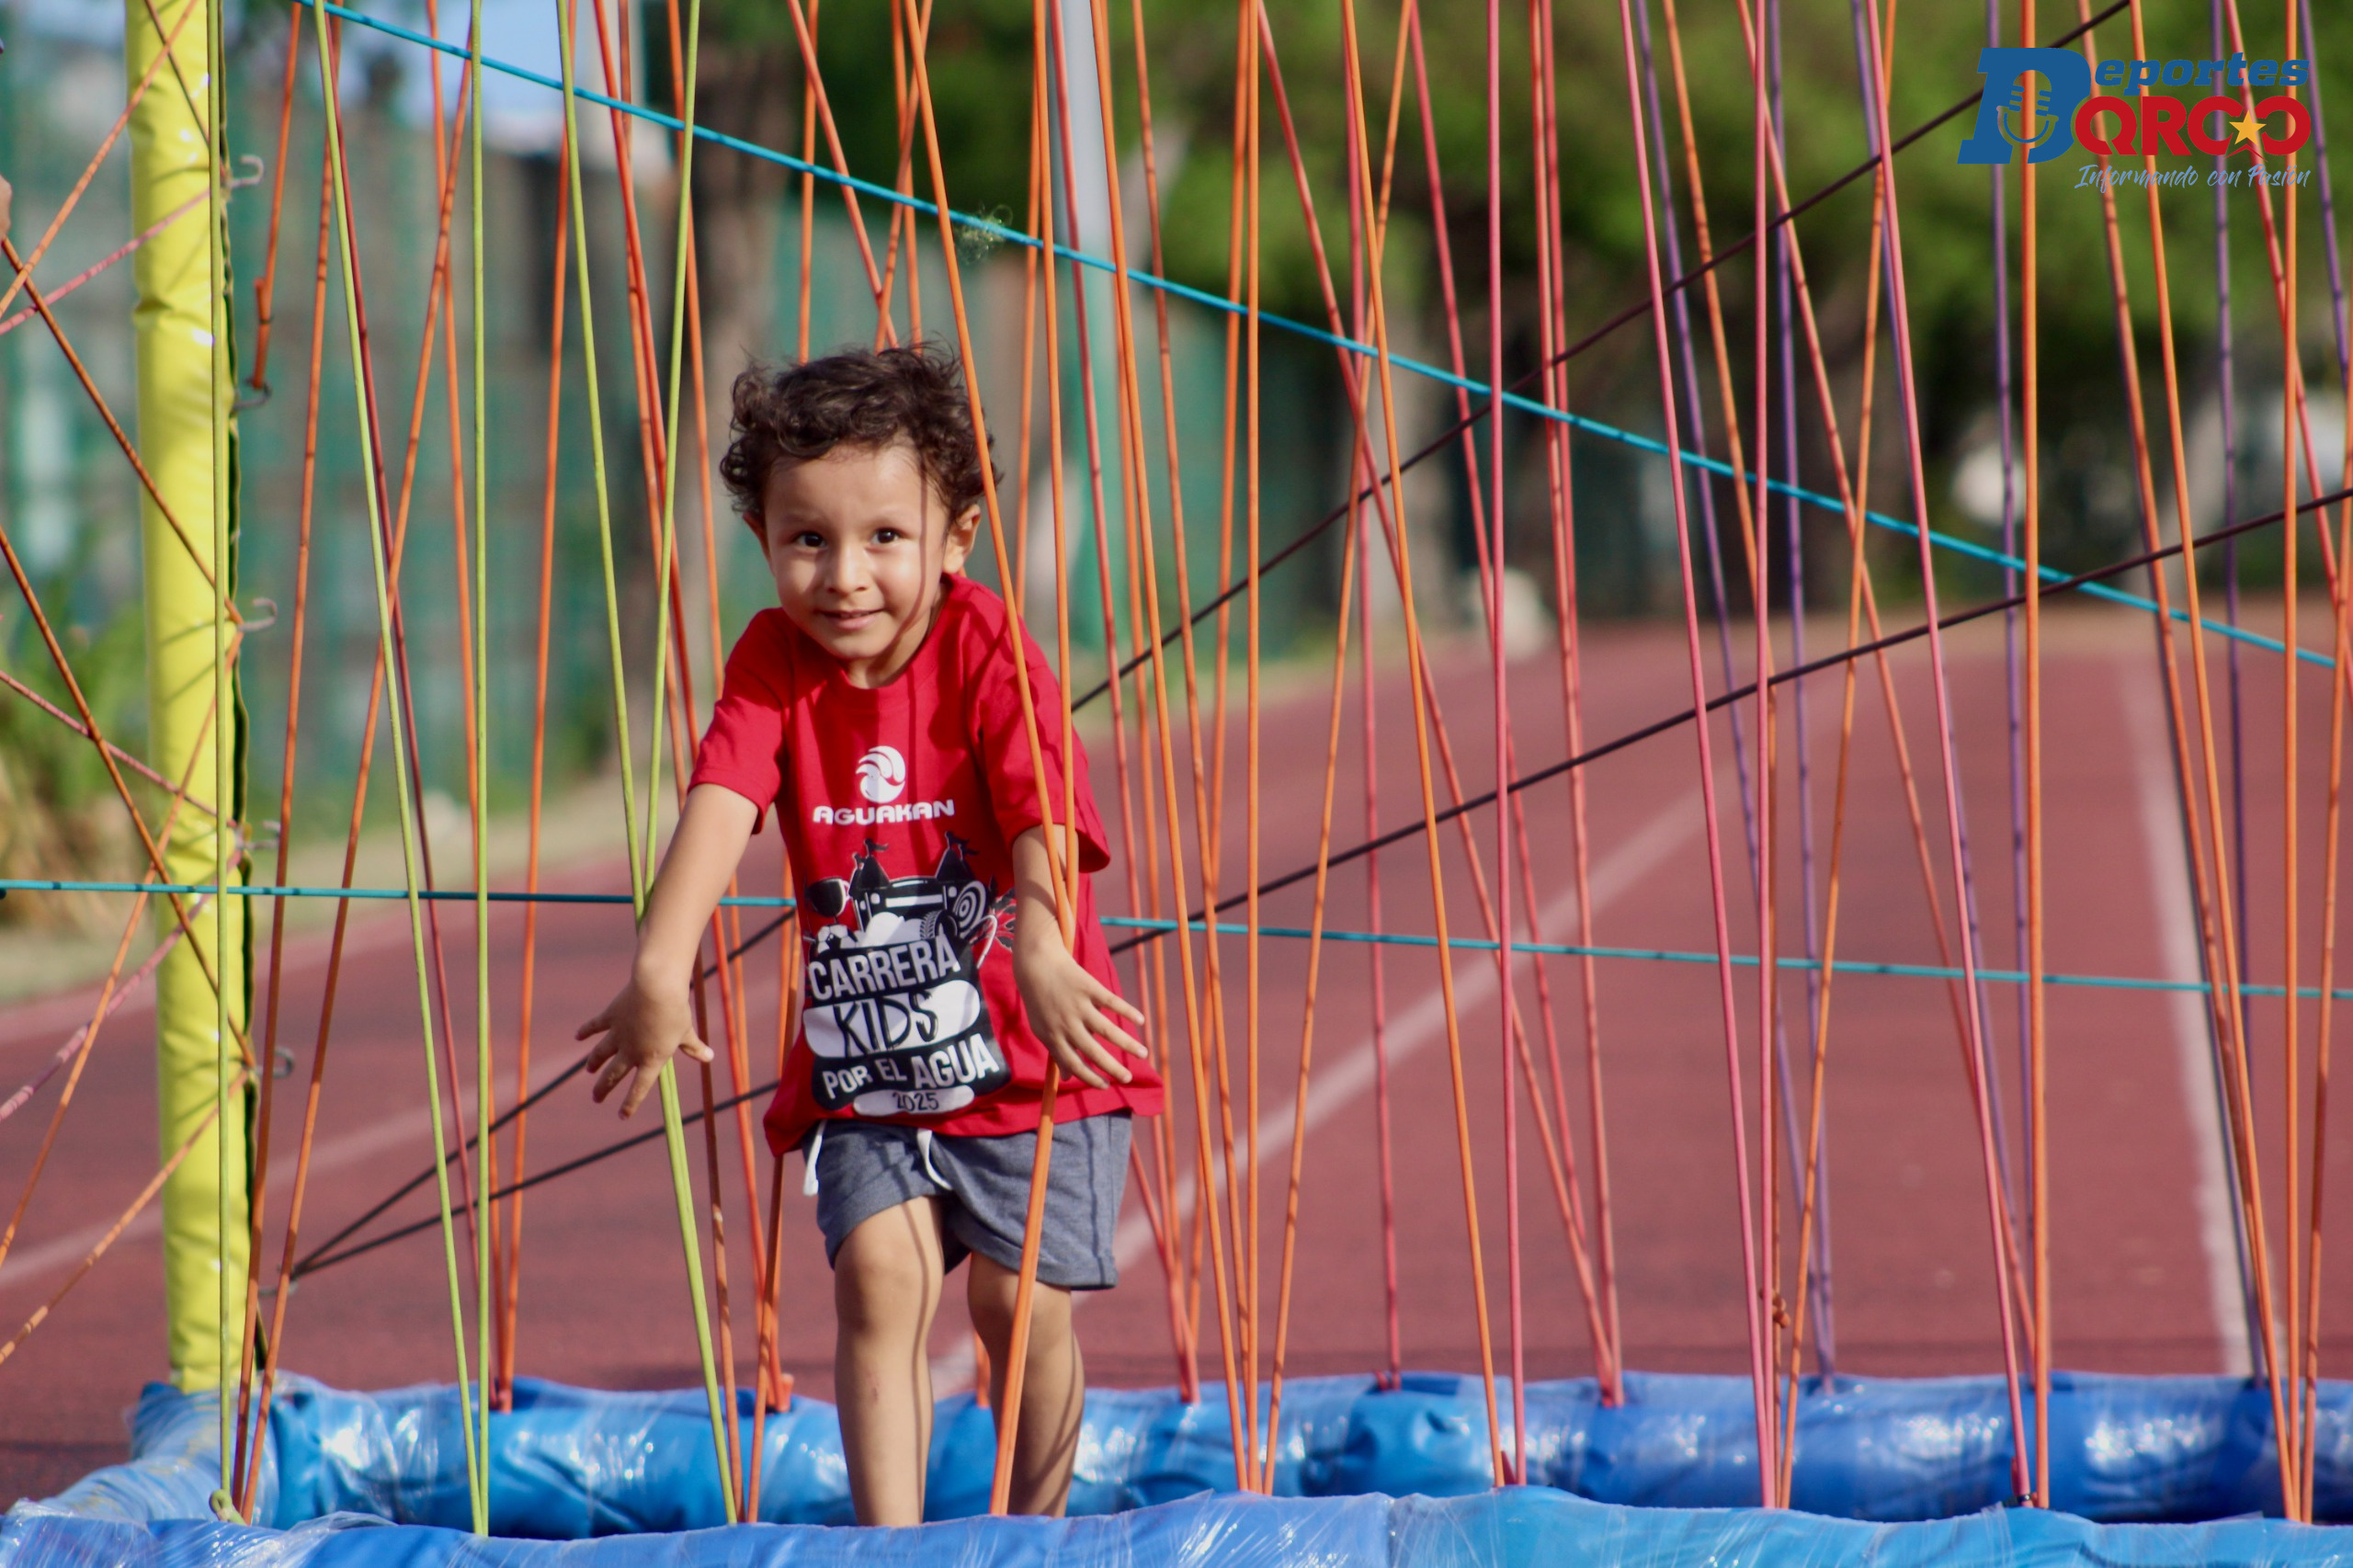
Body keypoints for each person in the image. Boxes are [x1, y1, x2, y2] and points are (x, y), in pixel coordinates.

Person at [576, 343, 1159, 1526]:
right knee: (878, 1279)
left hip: (1033, 1054)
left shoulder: (987, 647)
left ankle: (1032, 1534)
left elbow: (1040, 809)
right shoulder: (771, 661)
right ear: (763, 537)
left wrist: (1044, 940)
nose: (846, 575)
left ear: (956, 538)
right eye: (809, 539)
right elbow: (719, 807)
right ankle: (887, 1546)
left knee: (1015, 1303)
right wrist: (656, 967)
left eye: (886, 537)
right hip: (869, 1060)